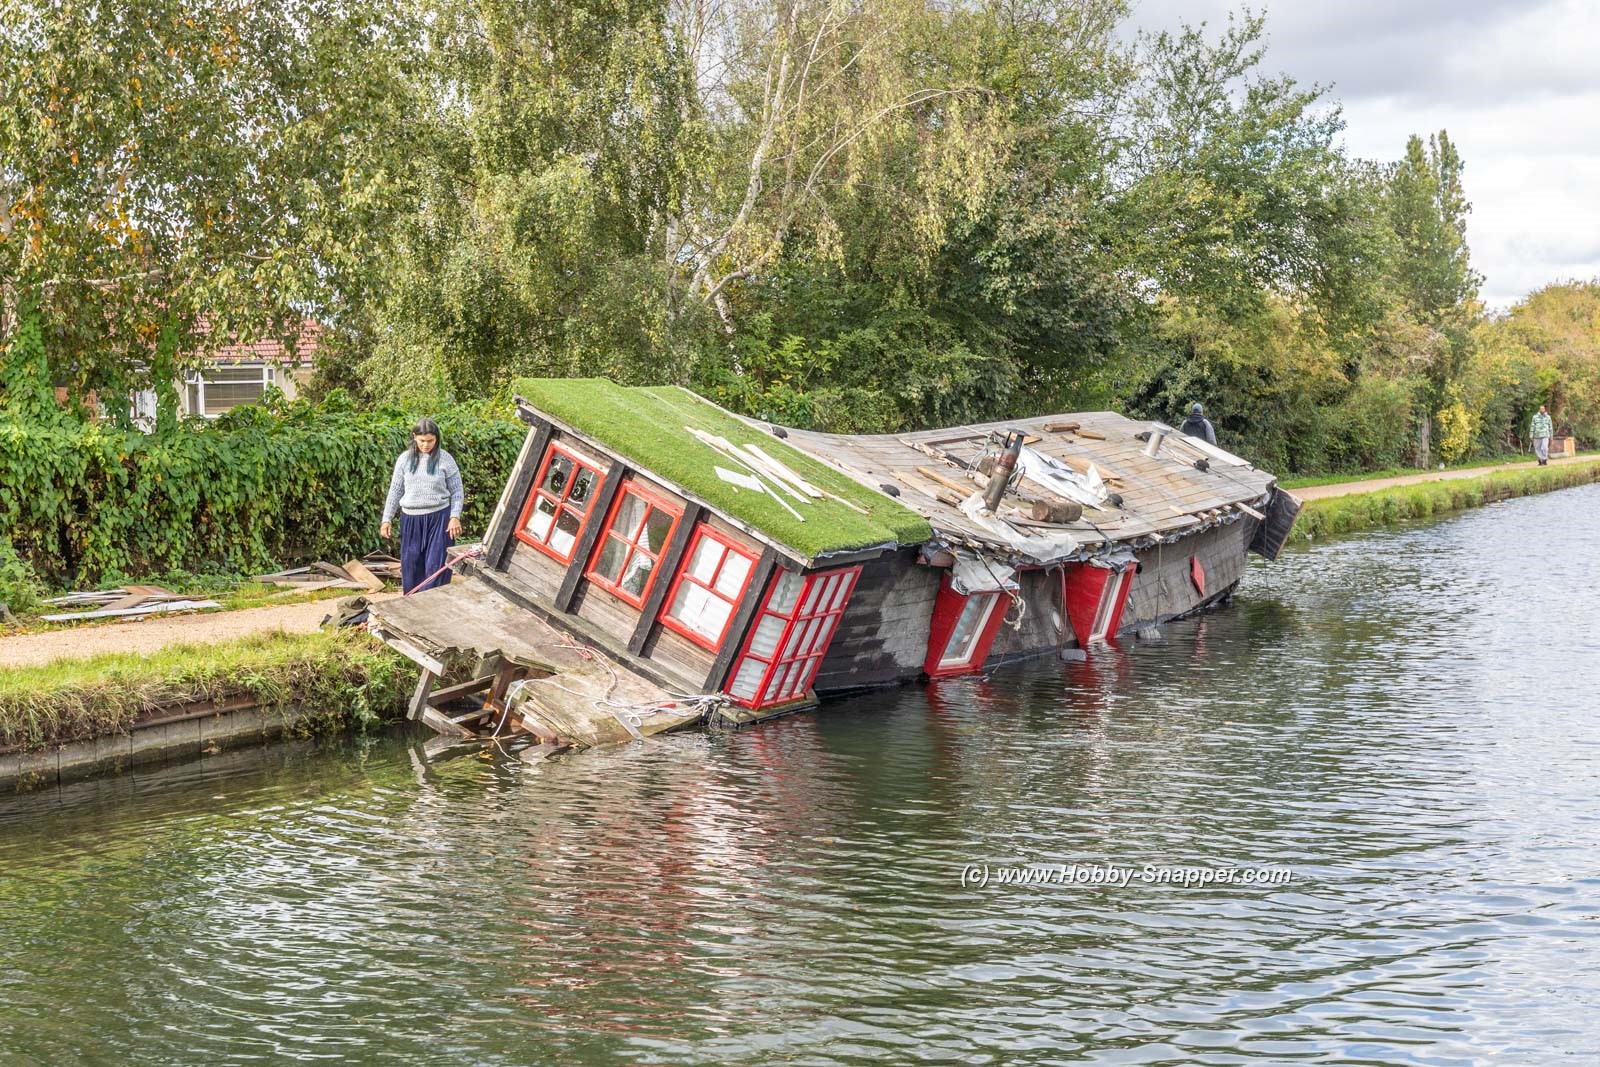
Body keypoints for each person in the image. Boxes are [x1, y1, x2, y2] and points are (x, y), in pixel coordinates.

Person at [380, 418, 464, 593]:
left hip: (439, 518)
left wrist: (454, 516)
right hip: (410, 520)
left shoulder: (445, 459)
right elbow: (395, 490)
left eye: (430, 441)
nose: (426, 445)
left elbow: (457, 491)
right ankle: (411, 606)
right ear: (414, 437)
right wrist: (386, 519)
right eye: (422, 441)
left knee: (437, 565)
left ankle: (434, 605)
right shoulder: (404, 460)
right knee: (411, 566)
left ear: (437, 439)